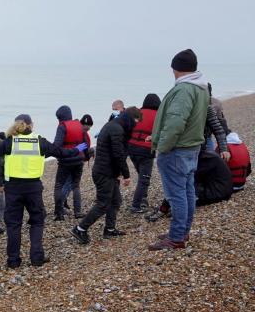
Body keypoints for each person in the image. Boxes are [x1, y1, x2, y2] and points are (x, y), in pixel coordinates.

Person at [0, 114, 87, 268]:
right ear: (30, 125)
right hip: (33, 188)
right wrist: (76, 150)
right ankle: (36, 258)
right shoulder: (39, 141)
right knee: (37, 221)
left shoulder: (10, 142)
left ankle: (13, 260)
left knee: (13, 224)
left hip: (13, 189)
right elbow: (61, 152)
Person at [148, 49, 210, 251]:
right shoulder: (200, 88)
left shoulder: (184, 89)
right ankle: (182, 232)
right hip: (191, 147)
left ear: (176, 69)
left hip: (177, 149)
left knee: (177, 195)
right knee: (187, 192)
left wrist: (162, 147)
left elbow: (176, 122)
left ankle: (176, 238)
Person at [70, 107, 141, 244]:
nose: (135, 126)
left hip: (108, 171)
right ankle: (80, 228)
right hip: (104, 172)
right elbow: (118, 154)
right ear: (130, 119)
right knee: (103, 203)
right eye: (135, 123)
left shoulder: (114, 126)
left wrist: (118, 172)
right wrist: (126, 174)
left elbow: (116, 153)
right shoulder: (117, 129)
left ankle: (109, 229)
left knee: (115, 201)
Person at [52, 106, 91, 221]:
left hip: (66, 161)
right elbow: (85, 144)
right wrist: (86, 157)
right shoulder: (79, 125)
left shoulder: (62, 127)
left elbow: (57, 146)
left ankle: (59, 213)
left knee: (59, 185)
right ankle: (78, 212)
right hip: (79, 160)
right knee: (76, 185)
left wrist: (52, 152)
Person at [126, 94, 161, 214]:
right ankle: (136, 205)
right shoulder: (158, 115)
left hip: (131, 148)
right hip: (145, 149)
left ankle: (143, 198)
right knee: (144, 179)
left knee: (141, 174)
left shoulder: (137, 112)